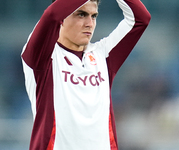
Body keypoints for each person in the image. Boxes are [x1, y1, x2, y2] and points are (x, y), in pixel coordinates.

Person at [21, 0, 151, 149]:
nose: (90, 23)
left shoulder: (103, 54)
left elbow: (141, 19)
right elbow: (52, 15)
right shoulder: (43, 57)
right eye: (81, 15)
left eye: (94, 16)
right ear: (62, 19)